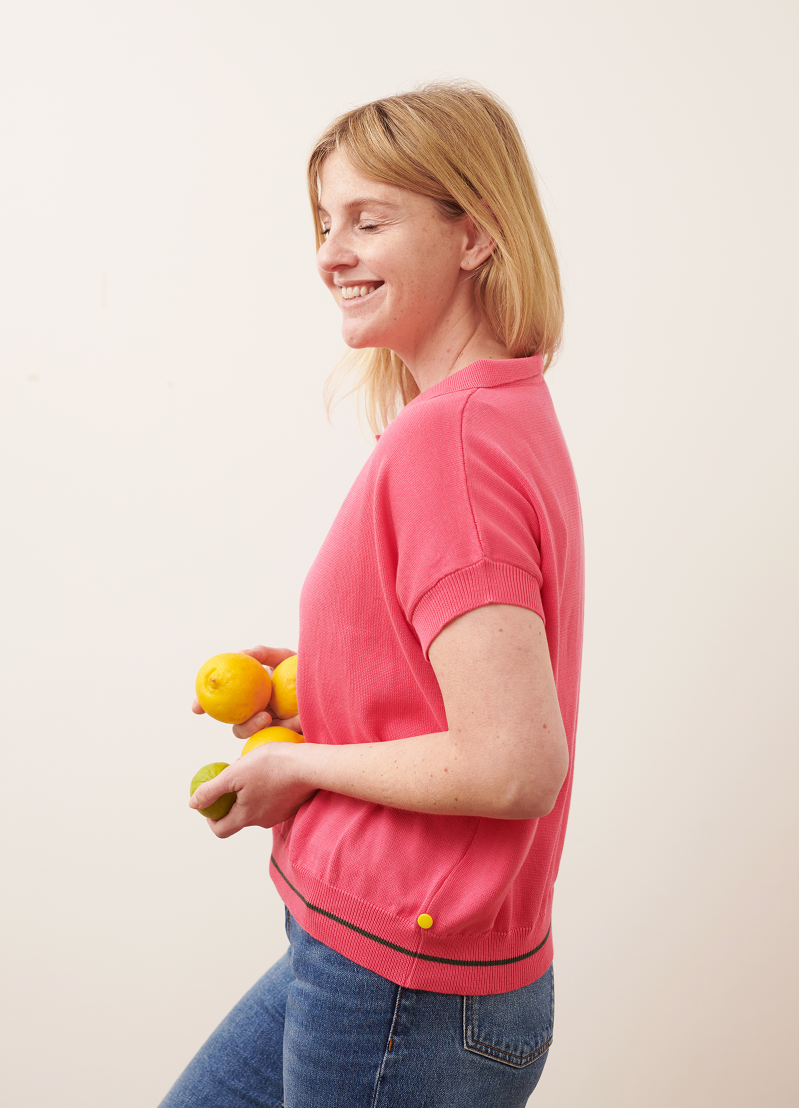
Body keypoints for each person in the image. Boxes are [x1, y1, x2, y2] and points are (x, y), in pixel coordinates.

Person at [160, 82, 584, 1108]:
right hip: (378, 958)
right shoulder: (496, 409)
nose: (329, 253)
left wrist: (298, 762)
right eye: (324, 222)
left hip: (400, 983)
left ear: (474, 233)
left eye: (369, 220)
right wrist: (328, 692)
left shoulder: (451, 444)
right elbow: (459, 695)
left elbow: (515, 762)